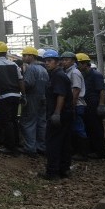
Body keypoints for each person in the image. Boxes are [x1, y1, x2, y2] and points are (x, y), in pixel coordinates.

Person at [0, 41, 24, 155]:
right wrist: (24, 95)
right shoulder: (14, 65)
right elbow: (20, 80)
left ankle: (9, 147)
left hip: (4, 97)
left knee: (6, 121)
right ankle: (16, 145)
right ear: (6, 52)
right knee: (13, 120)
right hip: (16, 96)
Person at [42, 49, 74, 180]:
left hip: (60, 114)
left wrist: (56, 113)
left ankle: (52, 172)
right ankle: (63, 170)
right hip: (65, 114)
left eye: (49, 61)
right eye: (45, 61)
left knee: (53, 143)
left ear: (57, 62)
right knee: (64, 142)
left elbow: (61, 95)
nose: (47, 63)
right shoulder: (57, 74)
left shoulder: (58, 76)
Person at [77, 53, 105, 159]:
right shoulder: (83, 74)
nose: (77, 66)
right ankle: (92, 150)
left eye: (79, 64)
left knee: (96, 128)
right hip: (87, 104)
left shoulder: (96, 75)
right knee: (89, 127)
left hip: (94, 104)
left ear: (85, 64)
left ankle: (101, 152)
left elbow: (102, 90)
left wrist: (101, 105)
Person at [21, 46, 49, 157]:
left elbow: (28, 83)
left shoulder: (31, 68)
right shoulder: (43, 69)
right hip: (43, 97)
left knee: (28, 122)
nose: (23, 57)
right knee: (41, 122)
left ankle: (30, 148)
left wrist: (20, 85)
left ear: (31, 56)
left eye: (24, 55)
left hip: (32, 97)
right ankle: (41, 147)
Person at [60, 51, 88, 159]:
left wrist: (72, 105)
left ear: (73, 61)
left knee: (78, 128)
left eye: (67, 60)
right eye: (63, 60)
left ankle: (82, 153)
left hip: (77, 104)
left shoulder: (74, 72)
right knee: (74, 127)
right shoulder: (68, 71)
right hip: (74, 104)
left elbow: (76, 89)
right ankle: (76, 151)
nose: (64, 62)